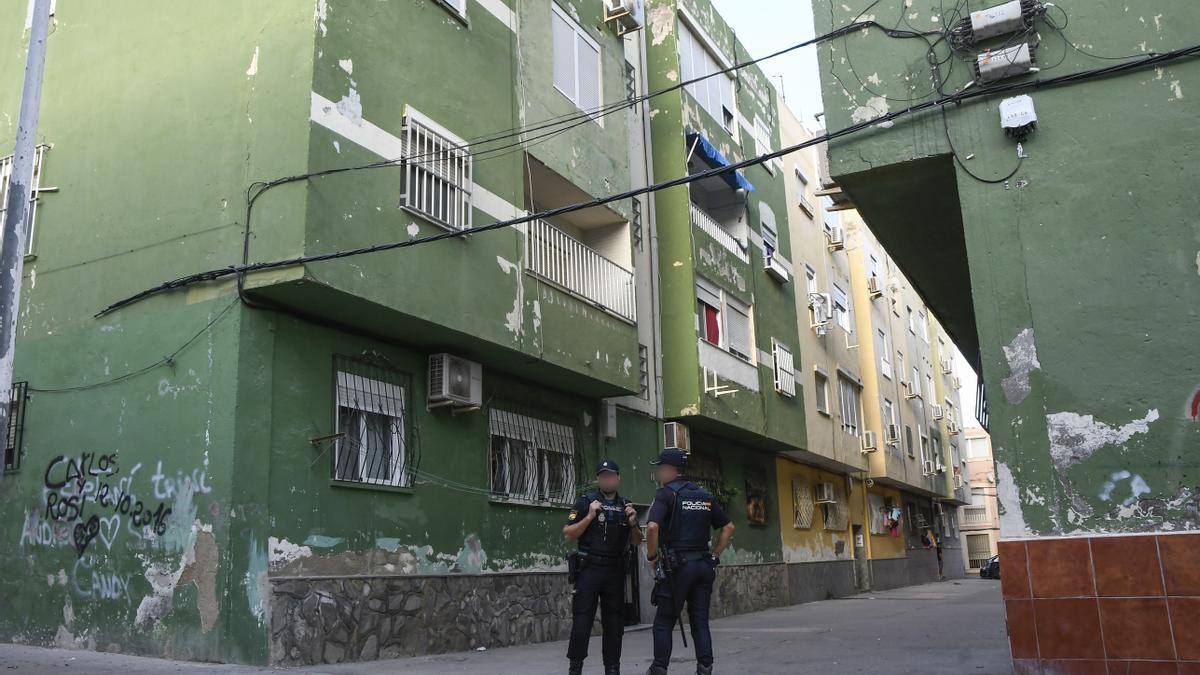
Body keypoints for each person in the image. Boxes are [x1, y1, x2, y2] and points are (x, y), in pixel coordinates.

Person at [643, 450, 735, 675]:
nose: (659, 472)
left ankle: (659, 669)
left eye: (661, 468)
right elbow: (728, 527)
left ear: (670, 470)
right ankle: (705, 667)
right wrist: (714, 556)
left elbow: (652, 527)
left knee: (664, 621)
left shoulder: (665, 494)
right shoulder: (705, 495)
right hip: (703, 566)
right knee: (700, 621)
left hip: (678, 568)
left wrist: (653, 557)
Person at [563, 459, 642, 675]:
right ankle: (575, 667)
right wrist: (589, 515)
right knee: (582, 621)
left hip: (614, 571)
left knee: (615, 625)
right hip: (589, 569)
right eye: (603, 476)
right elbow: (568, 533)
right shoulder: (585, 502)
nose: (607, 479)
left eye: (611, 475)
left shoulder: (626, 505)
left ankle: (612, 668)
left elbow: (636, 541)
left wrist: (634, 522)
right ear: (599, 479)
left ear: (618, 478)